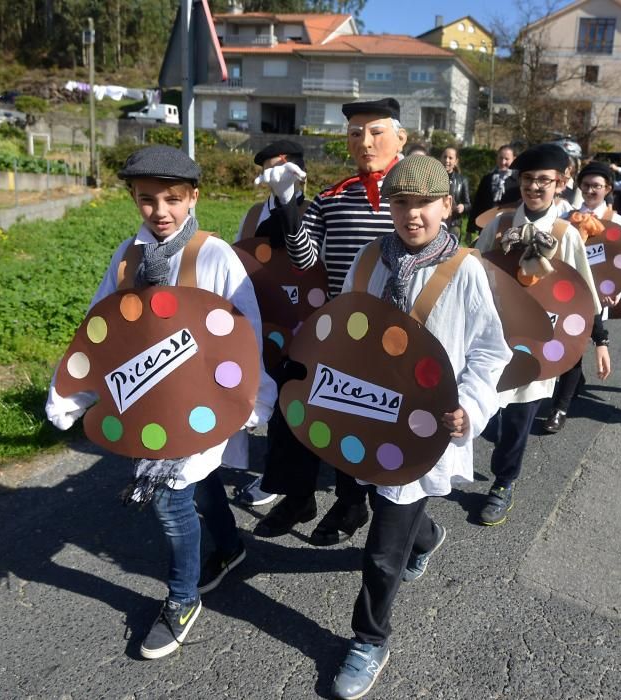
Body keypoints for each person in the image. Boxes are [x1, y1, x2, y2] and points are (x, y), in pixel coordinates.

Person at [45, 145, 277, 659]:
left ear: (193, 196)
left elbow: (246, 331)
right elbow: (100, 329)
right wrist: (72, 391)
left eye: (173, 199)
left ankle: (182, 597)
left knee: (173, 501)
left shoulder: (212, 254)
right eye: (147, 200)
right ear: (133, 197)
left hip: (203, 402)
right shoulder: (128, 256)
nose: (161, 212)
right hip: (146, 401)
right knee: (200, 484)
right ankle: (232, 549)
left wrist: (254, 399)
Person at [330, 155, 511, 699]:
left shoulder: (464, 269)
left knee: (383, 549)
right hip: (364, 412)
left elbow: (489, 350)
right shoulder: (366, 261)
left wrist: (472, 408)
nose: (413, 214)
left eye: (425, 203)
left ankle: (369, 639)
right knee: (394, 514)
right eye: (401, 202)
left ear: (449, 206)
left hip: (424, 424)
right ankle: (428, 537)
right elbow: (341, 330)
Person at [263, 98, 407, 546]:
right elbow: (306, 261)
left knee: (365, 418)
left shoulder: (416, 195)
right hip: (339, 329)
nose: (365, 142)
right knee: (310, 404)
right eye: (354, 133)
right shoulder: (332, 197)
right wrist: (288, 203)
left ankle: (352, 503)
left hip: (397, 333)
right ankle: (300, 494)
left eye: (376, 131)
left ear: (401, 137)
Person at [474, 143, 601, 525]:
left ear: (560, 184)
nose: (534, 187)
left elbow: (585, 295)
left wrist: (600, 340)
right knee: (488, 411)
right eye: (528, 179)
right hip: (496, 334)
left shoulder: (567, 233)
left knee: (520, 413)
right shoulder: (499, 225)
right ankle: (495, 457)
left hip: (539, 341)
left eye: (544, 181)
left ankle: (503, 482)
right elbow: (475, 271)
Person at [226, 139, 308, 507]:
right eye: (267, 168)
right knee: (261, 390)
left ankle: (279, 480)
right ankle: (274, 471)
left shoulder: (310, 210)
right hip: (258, 314)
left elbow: (306, 262)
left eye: (280, 165)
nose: (271, 174)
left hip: (299, 319)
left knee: (289, 401)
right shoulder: (254, 211)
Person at [544, 160, 621, 433]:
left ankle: (560, 407)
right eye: (587, 185)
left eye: (597, 186)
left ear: (608, 189)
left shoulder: (617, 221)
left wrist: (616, 291)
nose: (591, 190)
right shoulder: (568, 217)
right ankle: (565, 399)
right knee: (572, 347)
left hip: (599, 296)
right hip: (569, 293)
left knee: (576, 345)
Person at [467, 145, 517, 235]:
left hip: (509, 226)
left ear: (514, 159)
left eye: (507, 159)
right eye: (500, 158)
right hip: (486, 224)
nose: (503, 162)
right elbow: (478, 203)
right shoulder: (487, 179)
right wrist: (470, 228)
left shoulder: (518, 181)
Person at [441, 146, 470, 239]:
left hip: (454, 223)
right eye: (445, 157)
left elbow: (468, 204)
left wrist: (463, 207)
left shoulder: (462, 180)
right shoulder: (434, 177)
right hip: (437, 221)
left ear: (456, 161)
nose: (447, 160)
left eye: (450, 158)